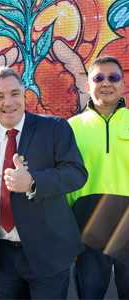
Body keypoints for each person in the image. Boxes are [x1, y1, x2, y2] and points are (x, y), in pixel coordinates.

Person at [0, 67, 88, 300]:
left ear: (24, 94)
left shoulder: (55, 127)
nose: (8, 102)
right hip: (5, 257)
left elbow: (76, 173)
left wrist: (33, 182)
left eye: (15, 93)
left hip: (49, 250)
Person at [67, 56, 129, 299]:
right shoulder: (70, 128)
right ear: (87, 85)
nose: (106, 83)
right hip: (87, 231)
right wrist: (66, 234)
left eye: (113, 78)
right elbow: (62, 182)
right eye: (98, 78)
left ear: (123, 85)